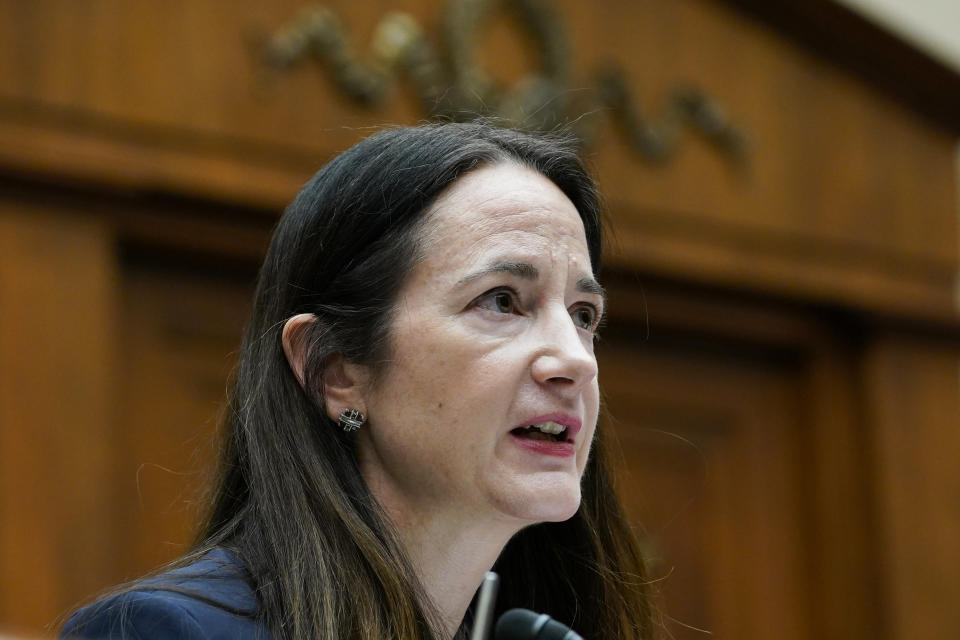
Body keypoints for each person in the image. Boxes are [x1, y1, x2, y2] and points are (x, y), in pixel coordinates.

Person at [61, 122, 653, 639]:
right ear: (336, 369)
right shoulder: (167, 633)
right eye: (501, 301)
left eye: (583, 315)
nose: (576, 360)